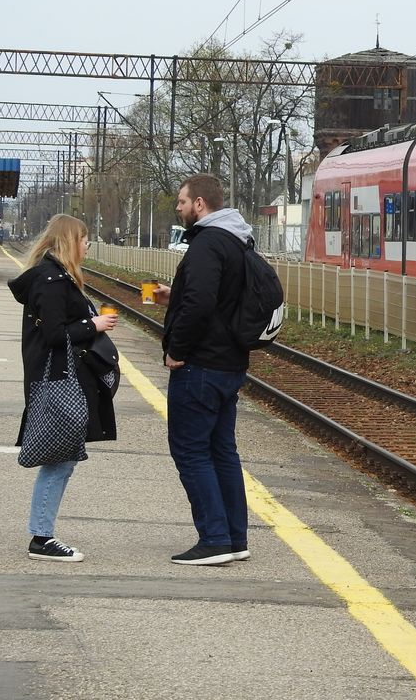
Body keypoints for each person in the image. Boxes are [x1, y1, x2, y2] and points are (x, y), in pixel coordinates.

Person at [153, 174, 253, 566]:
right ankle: (235, 537)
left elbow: (200, 304)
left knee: (191, 451)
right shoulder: (236, 240)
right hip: (229, 364)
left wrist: (176, 350)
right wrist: (173, 295)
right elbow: (220, 299)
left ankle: (214, 539)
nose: (178, 208)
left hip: (200, 366)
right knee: (222, 451)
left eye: (181, 202)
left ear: (199, 205)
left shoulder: (206, 244)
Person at [8, 214, 118, 562]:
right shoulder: (52, 281)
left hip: (58, 376)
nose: (87, 245)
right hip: (57, 378)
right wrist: (93, 323)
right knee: (60, 458)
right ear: (70, 240)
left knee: (64, 457)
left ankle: (42, 534)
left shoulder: (54, 276)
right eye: (84, 239)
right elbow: (55, 334)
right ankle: (42, 538)